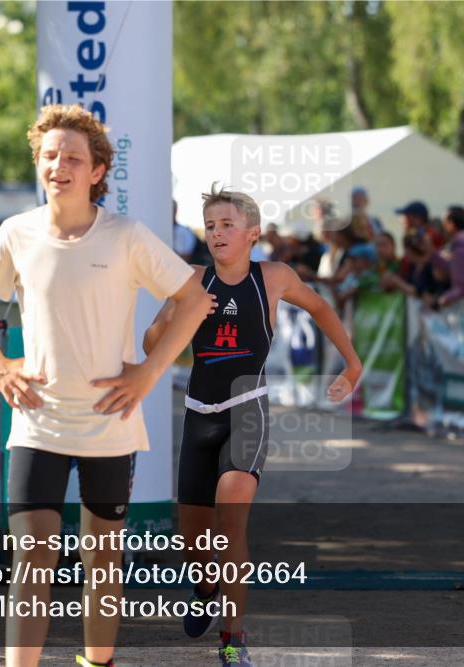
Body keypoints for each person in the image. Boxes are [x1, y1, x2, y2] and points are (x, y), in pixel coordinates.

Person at [0, 103, 210, 667]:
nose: (59, 166)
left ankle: (98, 663)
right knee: (32, 559)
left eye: (72, 158)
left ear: (97, 171)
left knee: (103, 560)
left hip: (108, 424)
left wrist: (149, 372)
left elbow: (193, 299)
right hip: (37, 421)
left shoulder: (126, 236)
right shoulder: (17, 233)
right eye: (50, 156)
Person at [143, 185, 361, 667]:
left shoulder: (274, 277)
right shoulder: (192, 279)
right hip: (198, 414)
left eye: (227, 225)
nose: (217, 233)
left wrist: (352, 364)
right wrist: (179, 316)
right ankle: (205, 587)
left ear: (253, 233)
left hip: (246, 410)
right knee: (194, 540)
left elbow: (321, 307)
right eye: (211, 226)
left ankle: (233, 638)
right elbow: (150, 343)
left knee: (230, 521)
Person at [431, 205, 464, 308]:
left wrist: (443, 300)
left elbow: (462, 286)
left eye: (444, 223)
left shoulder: (461, 247)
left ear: (451, 224)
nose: (442, 227)